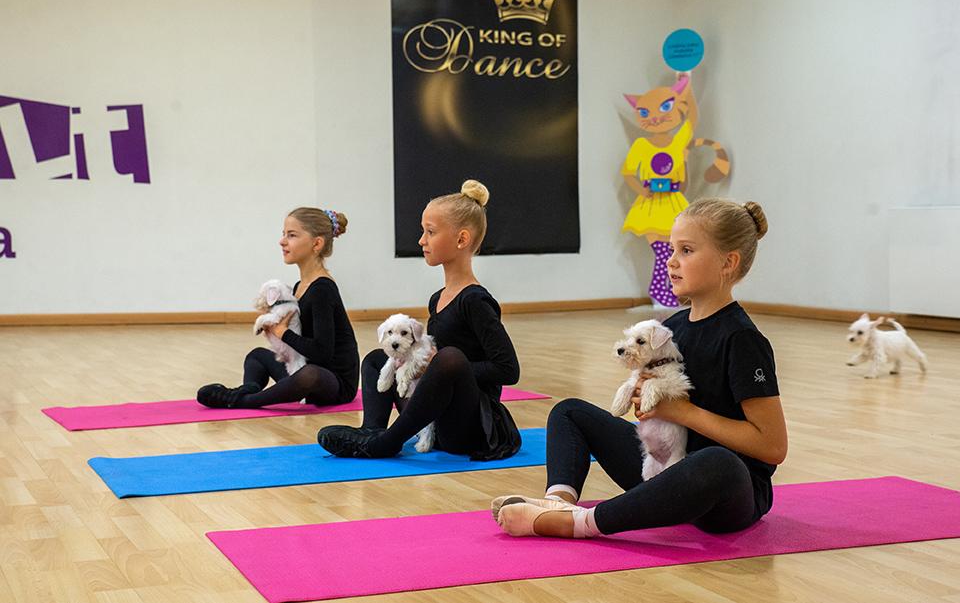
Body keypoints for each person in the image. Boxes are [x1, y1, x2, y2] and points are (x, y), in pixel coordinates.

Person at [493, 198, 787, 538]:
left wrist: (684, 413)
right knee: (569, 412)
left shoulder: (742, 339)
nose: (671, 261)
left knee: (717, 462)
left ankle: (580, 524)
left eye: (686, 251)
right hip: (667, 468)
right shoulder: (671, 328)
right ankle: (557, 503)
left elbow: (773, 446)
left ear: (728, 262)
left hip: (724, 491)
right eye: (672, 249)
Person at [317, 180, 521, 460]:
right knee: (377, 359)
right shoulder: (437, 299)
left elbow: (508, 370)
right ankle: (373, 431)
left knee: (449, 358)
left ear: (461, 240)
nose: (421, 240)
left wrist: (438, 367)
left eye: (430, 232)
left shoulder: (475, 300)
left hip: (471, 425)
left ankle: (388, 441)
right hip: (438, 416)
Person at [196, 207, 359, 409]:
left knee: (309, 375)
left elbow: (322, 352)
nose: (282, 241)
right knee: (257, 356)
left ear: (316, 243)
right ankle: (247, 390)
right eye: (284, 234)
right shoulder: (300, 286)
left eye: (291, 235)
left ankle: (243, 401)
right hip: (303, 367)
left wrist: (282, 332)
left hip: (333, 383)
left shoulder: (322, 289)